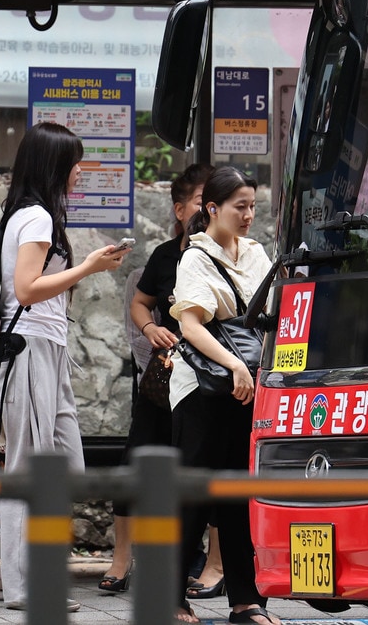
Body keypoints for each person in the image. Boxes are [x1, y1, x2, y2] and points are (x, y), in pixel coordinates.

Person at [0, 121, 128, 612]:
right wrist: (88, 267)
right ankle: (27, 587)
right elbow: (26, 289)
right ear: (55, 166)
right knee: (35, 472)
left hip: (44, 352)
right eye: (75, 163)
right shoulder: (37, 219)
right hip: (30, 354)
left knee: (67, 470)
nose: (80, 172)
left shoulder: (26, 216)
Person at [100, 163, 225, 596]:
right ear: (179, 209)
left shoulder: (234, 253)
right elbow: (140, 303)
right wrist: (151, 328)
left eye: (216, 199)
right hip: (163, 379)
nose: (208, 207)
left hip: (212, 383)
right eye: (199, 199)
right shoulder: (165, 257)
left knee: (207, 469)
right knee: (133, 464)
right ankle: (121, 560)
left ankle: (214, 566)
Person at [169, 166, 277, 625]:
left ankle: (245, 600)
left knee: (237, 493)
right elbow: (190, 325)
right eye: (240, 207)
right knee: (194, 493)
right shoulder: (194, 258)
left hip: (247, 386)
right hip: (203, 387)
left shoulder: (256, 253)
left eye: (253, 206)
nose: (249, 215)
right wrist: (234, 364)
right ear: (212, 209)